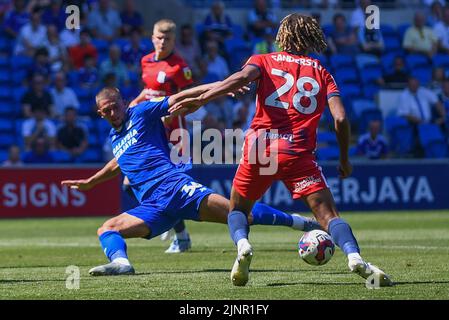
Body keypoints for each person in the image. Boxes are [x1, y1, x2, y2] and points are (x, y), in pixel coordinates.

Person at [170, 13, 393, 287]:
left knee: (237, 209)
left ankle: (243, 247)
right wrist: (345, 159)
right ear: (310, 38)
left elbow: (241, 78)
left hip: (260, 148)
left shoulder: (263, 60)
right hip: (298, 152)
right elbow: (341, 119)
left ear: (283, 36)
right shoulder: (322, 72)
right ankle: (355, 258)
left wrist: (201, 98)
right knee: (329, 217)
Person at [60, 86, 321, 276]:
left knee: (240, 213)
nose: (114, 112)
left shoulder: (141, 113)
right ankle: (122, 264)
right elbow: (118, 163)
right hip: (154, 207)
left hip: (175, 188)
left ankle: (302, 222)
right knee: (107, 229)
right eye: (107, 110)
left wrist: (220, 88)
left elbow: (182, 96)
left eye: (116, 106)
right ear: (100, 113)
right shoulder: (115, 138)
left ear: (123, 101)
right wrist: (91, 182)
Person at [140, 19, 195, 252]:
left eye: (167, 39)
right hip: (151, 134)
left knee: (173, 189)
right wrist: (133, 105)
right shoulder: (145, 61)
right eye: (159, 38)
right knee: (130, 183)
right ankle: (171, 226)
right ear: (152, 37)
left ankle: (180, 235)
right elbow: (148, 91)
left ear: (174, 40)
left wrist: (170, 117)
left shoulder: (180, 68)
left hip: (174, 136)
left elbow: (189, 99)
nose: (162, 42)